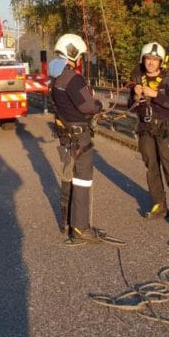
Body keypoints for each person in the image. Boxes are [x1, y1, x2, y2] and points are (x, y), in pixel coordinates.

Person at [50, 33, 104, 244]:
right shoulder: (73, 78)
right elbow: (87, 106)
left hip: (67, 136)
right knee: (82, 180)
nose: (80, 60)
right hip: (80, 137)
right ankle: (81, 228)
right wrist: (99, 106)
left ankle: (68, 222)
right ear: (72, 53)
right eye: (80, 55)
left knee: (69, 178)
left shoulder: (55, 78)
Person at [129, 42, 169, 227]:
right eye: (148, 59)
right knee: (151, 168)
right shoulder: (137, 79)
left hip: (165, 130)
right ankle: (159, 204)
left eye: (155, 60)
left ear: (160, 62)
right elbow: (130, 107)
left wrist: (155, 95)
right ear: (143, 60)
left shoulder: (168, 81)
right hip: (146, 130)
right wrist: (136, 96)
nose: (151, 63)